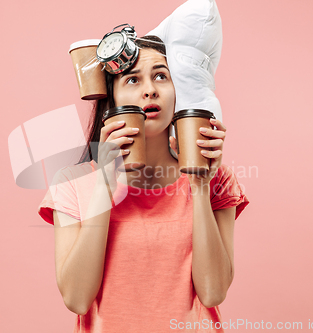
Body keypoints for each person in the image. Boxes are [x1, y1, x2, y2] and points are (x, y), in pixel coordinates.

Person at [38, 35, 249, 333]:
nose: (150, 90)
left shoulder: (217, 180)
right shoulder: (72, 184)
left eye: (161, 76)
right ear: (113, 98)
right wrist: (103, 187)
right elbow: (77, 299)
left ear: (178, 91)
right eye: (132, 80)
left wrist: (200, 187)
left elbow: (213, 292)